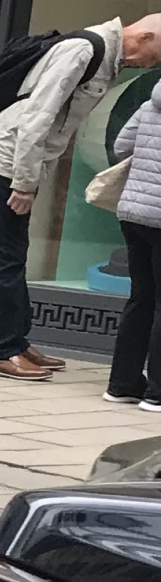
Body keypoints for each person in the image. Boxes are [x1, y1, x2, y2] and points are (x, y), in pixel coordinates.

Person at [0, 13, 161, 380]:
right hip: (6, 161)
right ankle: (2, 350)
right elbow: (36, 118)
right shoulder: (83, 51)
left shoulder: (105, 58)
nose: (150, 65)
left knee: (15, 253)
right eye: (155, 56)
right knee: (7, 256)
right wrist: (24, 183)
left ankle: (16, 340)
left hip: (21, 162)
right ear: (144, 36)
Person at [105, 81, 161, 408]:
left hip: (133, 213)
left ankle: (122, 384)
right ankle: (157, 394)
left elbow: (122, 146)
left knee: (141, 297)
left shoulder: (150, 104)